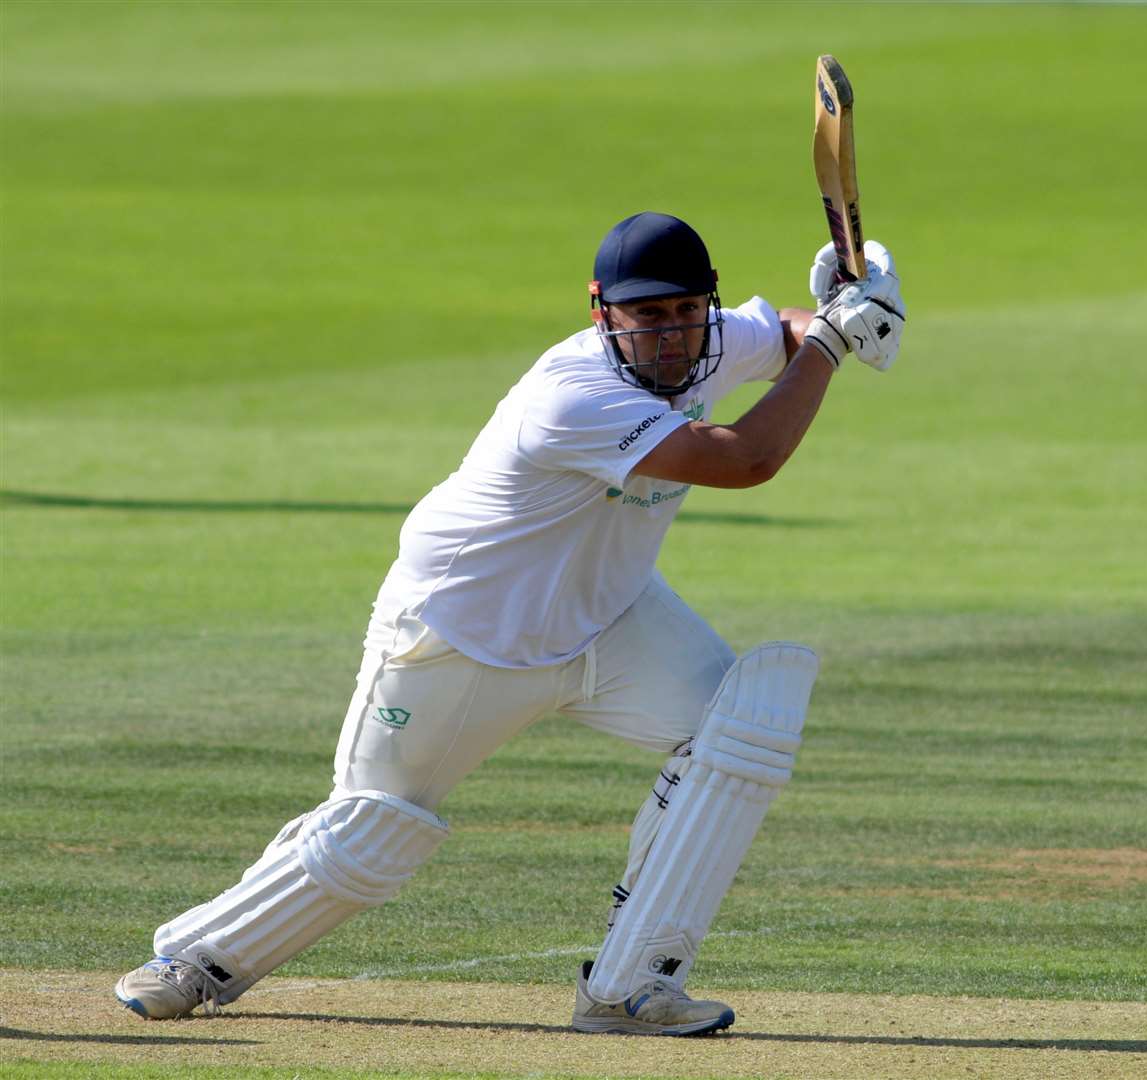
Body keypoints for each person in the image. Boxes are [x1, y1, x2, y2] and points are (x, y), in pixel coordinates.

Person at [113, 212, 905, 1036]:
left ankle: (630, 988)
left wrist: (849, 307)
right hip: (463, 635)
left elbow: (780, 329)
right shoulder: (572, 394)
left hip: (610, 619)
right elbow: (747, 458)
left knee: (742, 727)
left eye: (685, 312)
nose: (671, 336)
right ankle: (197, 959)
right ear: (603, 313)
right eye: (647, 316)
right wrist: (833, 348)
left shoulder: (708, 337)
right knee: (373, 831)